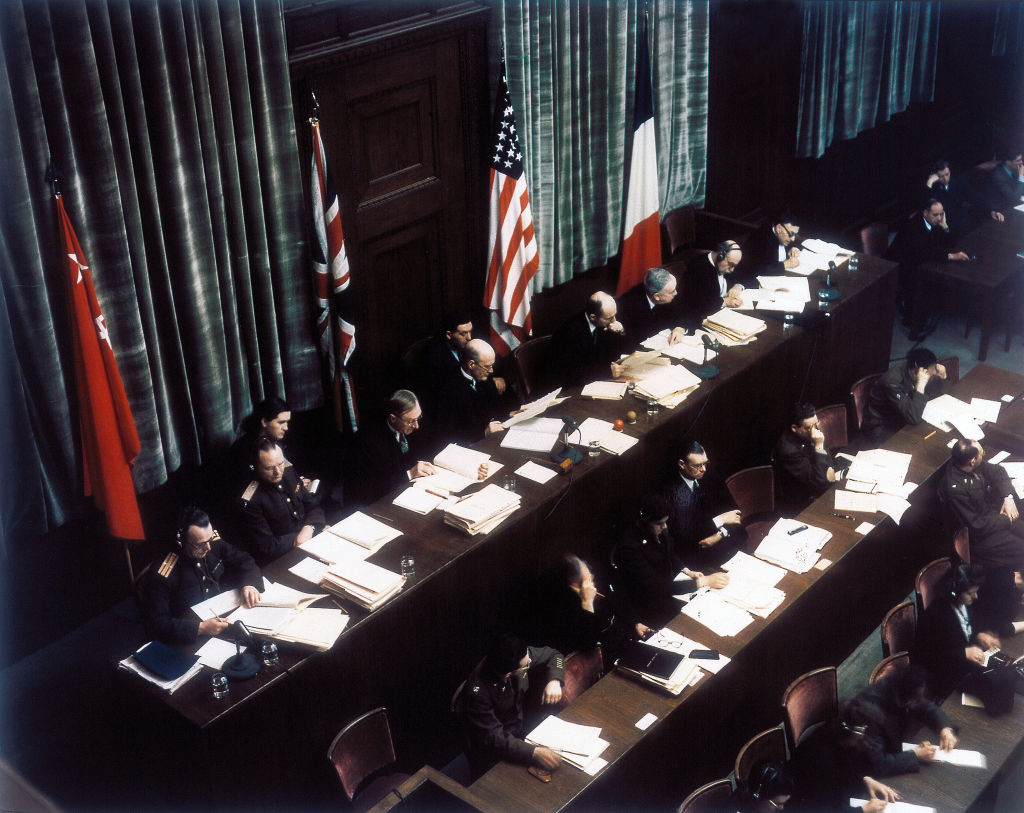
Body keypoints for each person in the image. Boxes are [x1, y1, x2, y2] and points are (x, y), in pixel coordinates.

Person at [142, 505, 261, 645]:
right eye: (200, 545)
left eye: (209, 540)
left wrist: (250, 584)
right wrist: (201, 628)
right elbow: (156, 624)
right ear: (181, 541)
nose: (208, 548)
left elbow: (245, 560)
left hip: (224, 620)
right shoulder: (164, 572)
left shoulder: (211, 543)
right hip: (191, 638)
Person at [457, 633, 565, 780]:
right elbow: (493, 737)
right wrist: (532, 752)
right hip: (493, 753)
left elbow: (554, 655)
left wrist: (555, 681)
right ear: (509, 673)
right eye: (527, 664)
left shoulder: (517, 654)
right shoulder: (477, 693)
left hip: (519, 735)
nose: (531, 660)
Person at [911, 563, 1019, 709]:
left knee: (1008, 680)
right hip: (944, 677)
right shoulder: (935, 617)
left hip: (963, 666)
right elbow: (927, 658)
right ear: (954, 592)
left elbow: (967, 628)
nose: (976, 596)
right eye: (970, 593)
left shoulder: (965, 604)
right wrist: (963, 652)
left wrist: (980, 635)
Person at [612, 493, 729, 628]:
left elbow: (669, 552)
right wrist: (703, 582)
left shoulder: (658, 530)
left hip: (670, 587)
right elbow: (656, 586)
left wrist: (687, 571)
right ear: (644, 521)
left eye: (665, 522)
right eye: (660, 523)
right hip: (651, 603)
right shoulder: (629, 548)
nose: (665, 527)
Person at [512, 554, 644, 669]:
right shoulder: (563, 609)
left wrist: (635, 622)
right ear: (574, 587)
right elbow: (589, 645)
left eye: (591, 576)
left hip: (627, 637)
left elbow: (618, 598)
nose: (594, 585)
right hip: (605, 657)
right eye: (588, 581)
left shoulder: (594, 575)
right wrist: (587, 603)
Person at [845, 667, 957, 778]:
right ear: (903, 700)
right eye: (917, 699)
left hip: (894, 749)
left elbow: (925, 706)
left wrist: (945, 728)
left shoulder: (899, 688)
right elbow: (877, 764)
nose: (921, 701)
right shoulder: (868, 714)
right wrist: (916, 755)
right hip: (865, 773)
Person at [886, 200, 970, 337]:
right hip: (899, 265)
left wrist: (945, 226)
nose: (938, 218)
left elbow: (948, 242)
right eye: (935, 214)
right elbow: (923, 251)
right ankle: (913, 323)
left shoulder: (934, 223)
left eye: (941, 214)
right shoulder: (914, 226)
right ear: (925, 213)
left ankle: (920, 315)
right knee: (920, 285)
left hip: (917, 261)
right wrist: (951, 256)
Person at [938, 440, 1024, 571]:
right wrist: (1006, 518)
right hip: (981, 537)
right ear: (972, 461)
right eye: (982, 453)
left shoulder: (966, 463)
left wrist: (1008, 498)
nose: (983, 454)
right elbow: (976, 525)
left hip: (994, 517)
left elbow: (998, 471)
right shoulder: (955, 491)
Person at [240, 437, 327, 565]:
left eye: (280, 463)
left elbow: (312, 505)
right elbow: (266, 546)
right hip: (284, 558)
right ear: (255, 466)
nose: (278, 472)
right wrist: (301, 537)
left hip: (309, 538)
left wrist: (311, 527)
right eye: (270, 468)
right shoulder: (251, 499)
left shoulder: (288, 471)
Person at [344, 389, 436, 508]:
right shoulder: (367, 442)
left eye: (418, 418)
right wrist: (409, 474)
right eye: (411, 421)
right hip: (374, 504)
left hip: (408, 492)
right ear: (393, 418)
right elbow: (370, 489)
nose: (416, 426)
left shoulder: (410, 427)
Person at [659, 441, 745, 569]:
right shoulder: (671, 492)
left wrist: (721, 533)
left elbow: (734, 513)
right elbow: (687, 535)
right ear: (682, 464)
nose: (703, 469)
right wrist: (721, 520)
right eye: (698, 465)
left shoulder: (710, 476)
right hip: (699, 554)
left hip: (726, 539)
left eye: (705, 463)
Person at [417, 311, 507, 414]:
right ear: (449, 335)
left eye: (470, 331)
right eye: (463, 333)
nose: (469, 337)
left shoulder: (466, 341)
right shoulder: (433, 357)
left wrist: (495, 378)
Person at [431, 339, 514, 446]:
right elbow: (450, 433)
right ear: (471, 364)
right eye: (487, 366)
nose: (491, 371)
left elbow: (492, 406)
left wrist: (508, 413)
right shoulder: (448, 390)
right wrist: (484, 432)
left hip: (492, 438)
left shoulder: (483, 375)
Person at [860, 348, 948, 446]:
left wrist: (943, 378)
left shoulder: (921, 371)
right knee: (918, 444)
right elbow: (914, 417)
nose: (933, 374)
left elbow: (940, 398)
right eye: (930, 374)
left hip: (903, 414)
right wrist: (920, 387)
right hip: (882, 424)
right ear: (919, 372)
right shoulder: (892, 382)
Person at [543, 291, 625, 388]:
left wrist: (619, 332)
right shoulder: (569, 332)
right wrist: (607, 371)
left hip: (589, 383)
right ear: (593, 317)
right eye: (609, 318)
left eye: (614, 315)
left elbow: (611, 356)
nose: (614, 321)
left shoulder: (602, 322)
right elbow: (573, 374)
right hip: (562, 388)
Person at [773, 402, 841, 516]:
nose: (815, 430)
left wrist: (828, 473)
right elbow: (819, 480)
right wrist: (819, 446)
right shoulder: (788, 451)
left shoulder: (812, 432)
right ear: (795, 428)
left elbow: (829, 468)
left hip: (821, 490)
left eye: (816, 423)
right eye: (809, 427)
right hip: (804, 503)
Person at [679, 240, 752, 329]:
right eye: (731, 265)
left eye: (735, 266)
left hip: (727, 314)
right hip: (703, 320)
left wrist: (738, 286)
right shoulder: (697, 268)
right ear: (720, 256)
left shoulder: (730, 262)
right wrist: (725, 302)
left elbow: (748, 275)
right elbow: (697, 304)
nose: (732, 270)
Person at [924, 159, 1003, 229]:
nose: (945, 179)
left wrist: (992, 210)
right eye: (941, 176)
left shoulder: (957, 181)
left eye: (947, 174)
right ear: (934, 176)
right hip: (941, 226)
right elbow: (926, 206)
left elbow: (974, 196)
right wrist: (929, 183)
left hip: (960, 222)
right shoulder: (931, 188)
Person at [615, 267, 687, 344]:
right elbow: (634, 336)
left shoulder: (667, 291)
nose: (676, 293)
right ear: (657, 296)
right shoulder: (629, 305)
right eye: (672, 292)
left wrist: (680, 328)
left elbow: (686, 311)